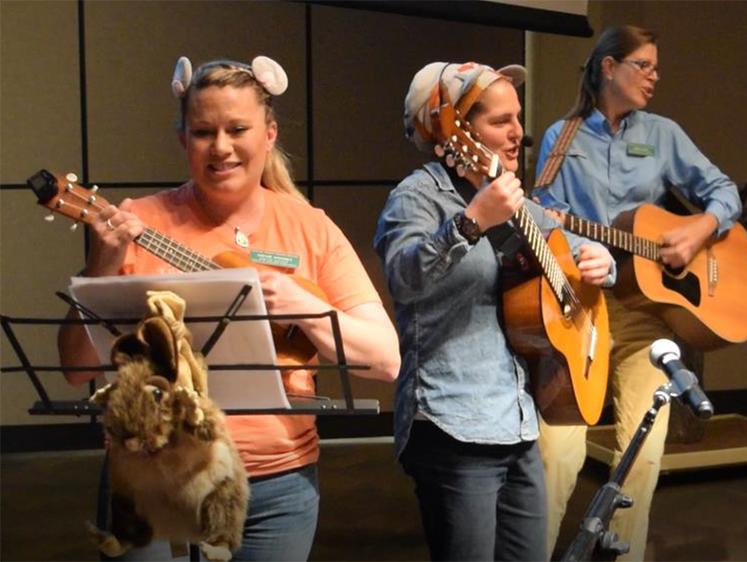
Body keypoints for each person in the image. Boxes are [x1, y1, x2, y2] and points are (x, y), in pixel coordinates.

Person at [58, 55, 400, 561]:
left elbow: (387, 359)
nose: (220, 147)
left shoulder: (310, 227)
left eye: (237, 128)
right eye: (202, 132)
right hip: (154, 475)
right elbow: (74, 369)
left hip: (278, 485)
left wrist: (304, 308)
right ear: (183, 140)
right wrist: (101, 266)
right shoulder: (136, 221)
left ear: (268, 134)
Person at [373, 61, 614, 561]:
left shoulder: (518, 202)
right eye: (500, 121)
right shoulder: (417, 197)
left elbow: (566, 245)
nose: (517, 133)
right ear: (456, 131)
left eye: (518, 118)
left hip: (518, 421)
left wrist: (603, 262)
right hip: (452, 424)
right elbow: (403, 279)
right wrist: (471, 222)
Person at [532, 25, 743, 561]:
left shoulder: (663, 134)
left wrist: (698, 229)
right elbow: (542, 220)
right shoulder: (562, 137)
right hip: (579, 306)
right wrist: (579, 247)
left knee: (643, 456)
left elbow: (722, 192)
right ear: (609, 67)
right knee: (556, 456)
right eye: (643, 65)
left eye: (655, 67)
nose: (654, 76)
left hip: (643, 313)